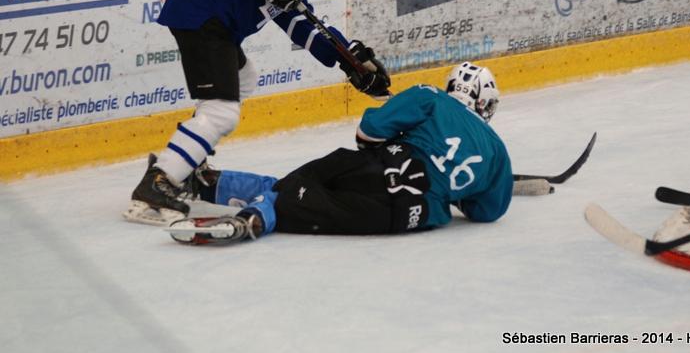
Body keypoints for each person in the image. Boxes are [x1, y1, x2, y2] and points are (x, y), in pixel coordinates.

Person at [125, 0, 391, 226]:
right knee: (222, 113)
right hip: (204, 14)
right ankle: (157, 183)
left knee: (244, 77)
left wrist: (347, 57)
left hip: (205, 14)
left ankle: (186, 161)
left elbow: (300, 23)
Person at [163, 61, 514, 245]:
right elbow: (488, 211)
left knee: (293, 187)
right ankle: (212, 186)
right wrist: (454, 193)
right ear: (485, 103)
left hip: (381, 166)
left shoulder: (430, 96)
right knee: (301, 196)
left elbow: (368, 130)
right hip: (410, 216)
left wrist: (384, 150)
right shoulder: (498, 152)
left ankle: (249, 217)